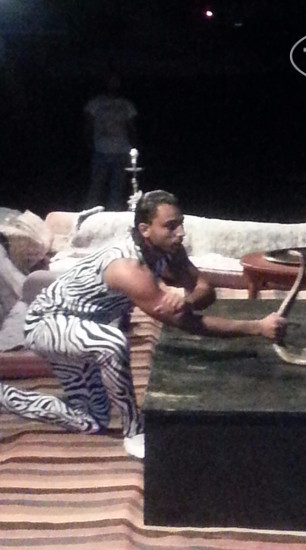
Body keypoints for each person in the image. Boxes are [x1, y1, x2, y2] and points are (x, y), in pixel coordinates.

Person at [0, 190, 287, 459]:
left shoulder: (170, 251)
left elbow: (205, 291)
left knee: (91, 420)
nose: (181, 232)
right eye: (171, 226)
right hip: (47, 324)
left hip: (82, 328)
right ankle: (134, 430)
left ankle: (5, 397)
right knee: (112, 343)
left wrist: (186, 300)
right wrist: (257, 327)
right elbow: (186, 323)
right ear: (145, 230)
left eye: (180, 223)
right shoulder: (129, 267)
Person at [84, 72, 138, 210]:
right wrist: (88, 144)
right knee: (96, 187)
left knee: (117, 189)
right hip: (100, 150)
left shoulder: (126, 104)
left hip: (122, 151)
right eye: (110, 82)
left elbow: (132, 127)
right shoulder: (95, 103)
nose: (113, 85)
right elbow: (88, 125)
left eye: (116, 82)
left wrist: (134, 146)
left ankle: (113, 215)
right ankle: (90, 215)